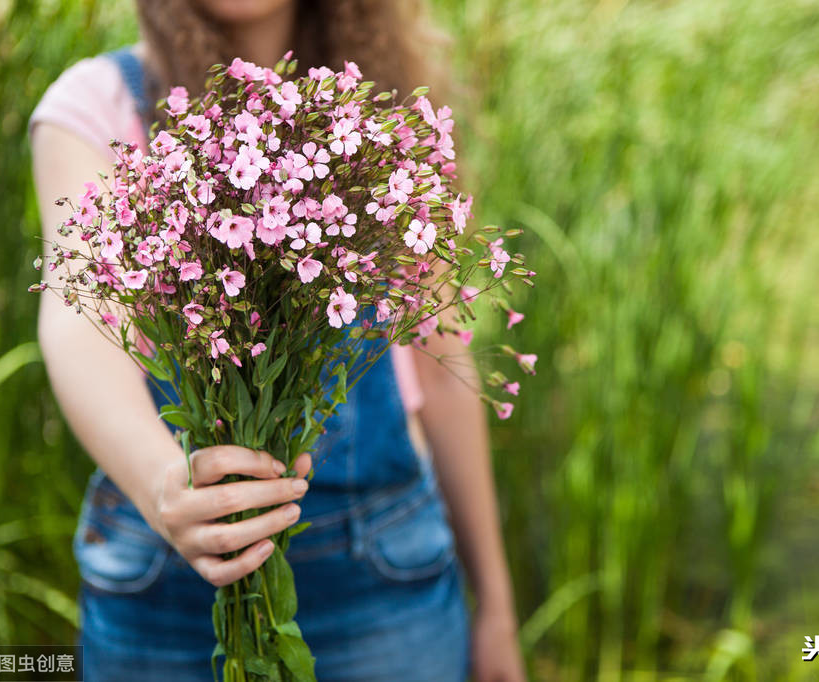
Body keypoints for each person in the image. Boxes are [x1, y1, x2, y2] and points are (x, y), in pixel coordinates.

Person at [28, 1, 526, 680]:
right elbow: (79, 318)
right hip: (162, 589)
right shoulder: (100, 105)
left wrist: (495, 608)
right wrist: (165, 486)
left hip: (385, 585)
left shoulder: (386, 119)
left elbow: (440, 365)